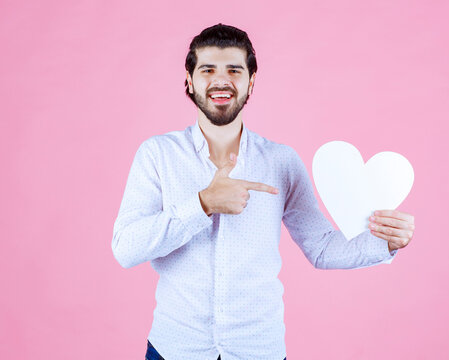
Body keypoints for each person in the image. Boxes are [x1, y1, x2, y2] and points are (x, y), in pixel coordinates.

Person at [112, 23, 415, 360]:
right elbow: (126, 248)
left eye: (234, 70)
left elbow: (322, 248)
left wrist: (384, 241)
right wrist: (203, 204)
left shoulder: (281, 161)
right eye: (208, 69)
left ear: (251, 81)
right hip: (174, 349)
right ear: (189, 79)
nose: (221, 80)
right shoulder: (157, 154)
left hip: (258, 351)